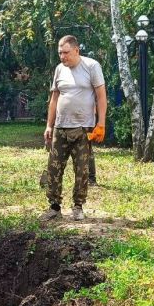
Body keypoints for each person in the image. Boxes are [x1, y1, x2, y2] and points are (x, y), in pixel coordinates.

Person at [41, 36, 106, 221]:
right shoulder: (59, 69)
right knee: (54, 168)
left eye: (66, 52)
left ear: (76, 50)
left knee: (81, 169)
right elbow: (54, 99)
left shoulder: (92, 66)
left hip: (83, 128)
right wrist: (49, 125)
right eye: (60, 53)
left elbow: (101, 96)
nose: (62, 56)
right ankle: (54, 207)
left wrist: (101, 123)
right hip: (61, 127)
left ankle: (78, 206)